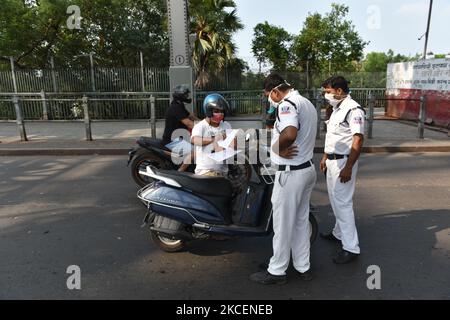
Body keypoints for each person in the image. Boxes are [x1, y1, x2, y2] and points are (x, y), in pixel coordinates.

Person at [250, 73, 317, 285]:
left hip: (291, 173)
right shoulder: (306, 102)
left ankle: (277, 270)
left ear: (276, 91)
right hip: (306, 170)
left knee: (282, 224)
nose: (270, 100)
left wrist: (276, 147)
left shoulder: (286, 104)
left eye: (269, 95)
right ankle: (302, 266)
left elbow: (289, 133)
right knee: (299, 222)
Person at [319, 75, 365, 264]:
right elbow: (332, 136)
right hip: (332, 161)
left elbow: (358, 139)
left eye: (328, 91)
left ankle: (351, 248)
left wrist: (348, 167)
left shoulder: (353, 110)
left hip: (343, 163)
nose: (326, 95)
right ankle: (338, 233)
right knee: (335, 200)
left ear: (338, 91)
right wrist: (324, 156)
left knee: (343, 204)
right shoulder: (337, 109)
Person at [191, 93, 233, 177]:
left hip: (223, 171)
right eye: (216, 111)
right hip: (205, 171)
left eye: (222, 112)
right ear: (209, 111)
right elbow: (194, 140)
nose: (220, 114)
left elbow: (232, 143)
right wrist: (215, 138)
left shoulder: (226, 125)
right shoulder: (200, 126)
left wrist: (233, 141)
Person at [162, 84, 198, 171]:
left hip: (180, 137)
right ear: (180, 96)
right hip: (172, 140)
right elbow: (189, 123)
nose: (187, 96)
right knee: (195, 152)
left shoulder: (179, 105)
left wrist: (204, 123)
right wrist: (202, 128)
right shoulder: (176, 108)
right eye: (185, 94)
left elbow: (190, 116)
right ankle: (180, 172)